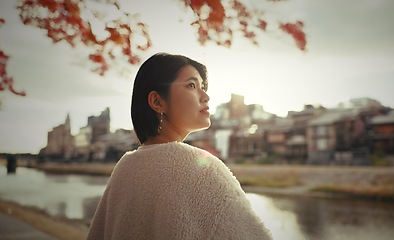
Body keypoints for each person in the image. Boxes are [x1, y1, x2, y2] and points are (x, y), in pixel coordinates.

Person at [86, 52, 272, 240]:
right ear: (157, 102)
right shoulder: (203, 170)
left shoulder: (125, 168)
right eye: (191, 85)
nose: (205, 96)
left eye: (203, 87)